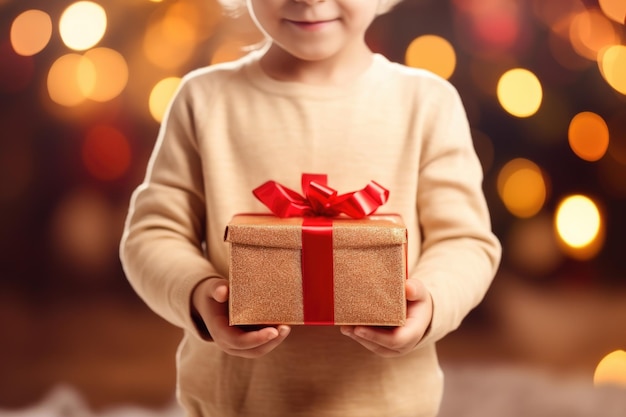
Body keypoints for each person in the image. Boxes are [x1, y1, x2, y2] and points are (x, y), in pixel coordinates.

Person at [119, 0, 502, 416]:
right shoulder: (203, 99)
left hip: (387, 404)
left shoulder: (428, 103)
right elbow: (152, 233)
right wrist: (198, 293)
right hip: (235, 403)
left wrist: (431, 302)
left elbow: (464, 241)